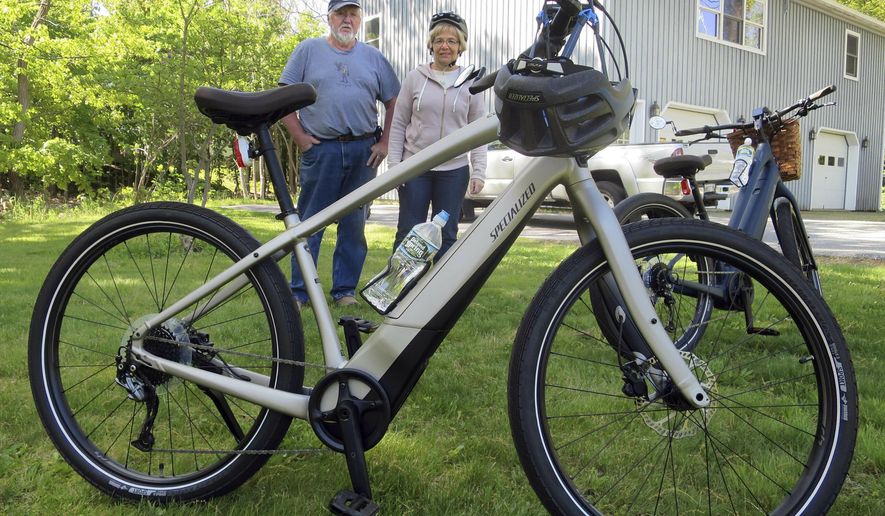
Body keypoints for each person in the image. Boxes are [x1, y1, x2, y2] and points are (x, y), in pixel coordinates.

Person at [278, 0, 399, 307]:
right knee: (309, 224)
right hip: (322, 150)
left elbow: (395, 102)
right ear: (329, 17)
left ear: (359, 20)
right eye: (341, 14)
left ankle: (344, 291)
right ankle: (300, 292)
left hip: (363, 151)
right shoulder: (308, 50)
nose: (347, 20)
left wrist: (384, 143)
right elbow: (283, 97)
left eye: (353, 14)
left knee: (354, 225)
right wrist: (301, 139)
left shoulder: (374, 57)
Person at [387, 11, 487, 259]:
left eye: (452, 41)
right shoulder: (415, 77)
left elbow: (479, 129)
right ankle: (401, 295)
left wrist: (479, 171)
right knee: (408, 233)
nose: (445, 46)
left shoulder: (471, 83)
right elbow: (399, 123)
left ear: (460, 46)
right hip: (415, 167)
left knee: (446, 236)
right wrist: (394, 167)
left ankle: (440, 297)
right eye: (439, 40)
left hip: (453, 172)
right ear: (431, 44)